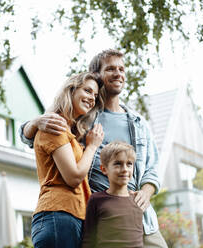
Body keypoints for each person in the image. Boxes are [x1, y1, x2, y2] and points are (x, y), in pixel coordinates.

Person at [20, 49, 168, 248]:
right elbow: (41, 138)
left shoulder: (139, 123)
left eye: (122, 69)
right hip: (97, 216)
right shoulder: (83, 116)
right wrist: (35, 122)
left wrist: (146, 193)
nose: (118, 74)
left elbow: (152, 168)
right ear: (97, 75)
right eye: (111, 69)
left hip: (140, 215)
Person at [30, 72, 105, 248]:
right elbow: (73, 177)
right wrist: (92, 146)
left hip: (70, 217)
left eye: (94, 95)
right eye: (87, 91)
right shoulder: (54, 125)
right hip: (58, 215)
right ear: (70, 90)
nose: (92, 98)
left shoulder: (69, 132)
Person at [82, 141, 143, 248]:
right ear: (104, 169)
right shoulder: (96, 200)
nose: (124, 169)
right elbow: (88, 239)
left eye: (129, 164)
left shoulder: (137, 199)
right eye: (118, 164)